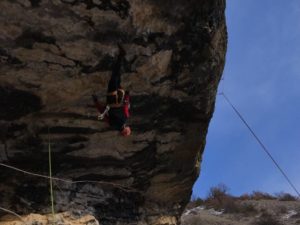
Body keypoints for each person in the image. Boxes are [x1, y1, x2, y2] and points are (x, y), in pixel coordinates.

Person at [92, 44, 131, 136]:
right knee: (114, 77)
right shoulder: (112, 123)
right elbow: (103, 112)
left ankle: (120, 57)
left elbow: (126, 105)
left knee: (117, 78)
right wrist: (96, 101)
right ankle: (120, 57)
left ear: (125, 129)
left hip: (120, 97)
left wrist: (127, 95)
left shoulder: (125, 118)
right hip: (112, 99)